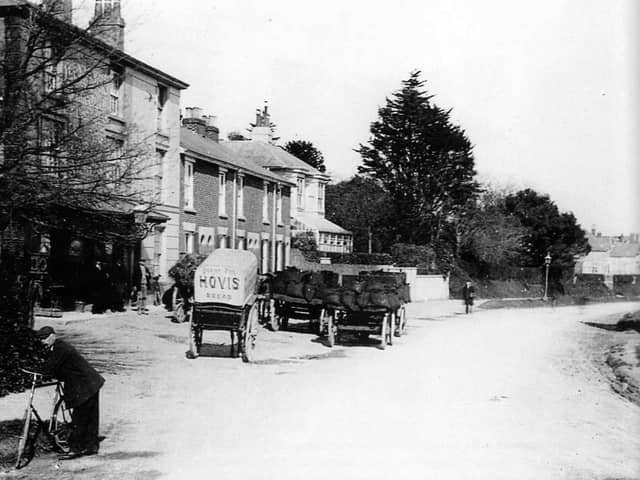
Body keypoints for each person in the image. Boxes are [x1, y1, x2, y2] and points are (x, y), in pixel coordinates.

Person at [36, 326, 105, 460]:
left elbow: (50, 367)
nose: (42, 341)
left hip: (85, 385)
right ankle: (91, 447)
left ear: (53, 336)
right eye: (41, 339)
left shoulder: (60, 348)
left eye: (45, 338)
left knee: (80, 417)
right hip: (90, 382)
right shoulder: (56, 347)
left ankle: (75, 449)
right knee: (89, 416)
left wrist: (40, 374)